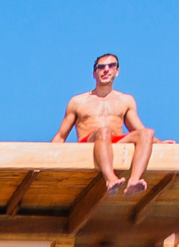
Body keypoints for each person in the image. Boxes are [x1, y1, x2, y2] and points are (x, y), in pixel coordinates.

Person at [53, 53, 155, 196]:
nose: (106, 70)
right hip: (89, 142)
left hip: (114, 141)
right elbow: (61, 136)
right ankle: (110, 179)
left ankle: (134, 181)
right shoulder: (78, 101)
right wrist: (46, 158)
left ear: (117, 71)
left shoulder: (125, 100)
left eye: (111, 66)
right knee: (104, 131)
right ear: (94, 73)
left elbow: (139, 130)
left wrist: (161, 143)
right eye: (101, 67)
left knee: (147, 133)